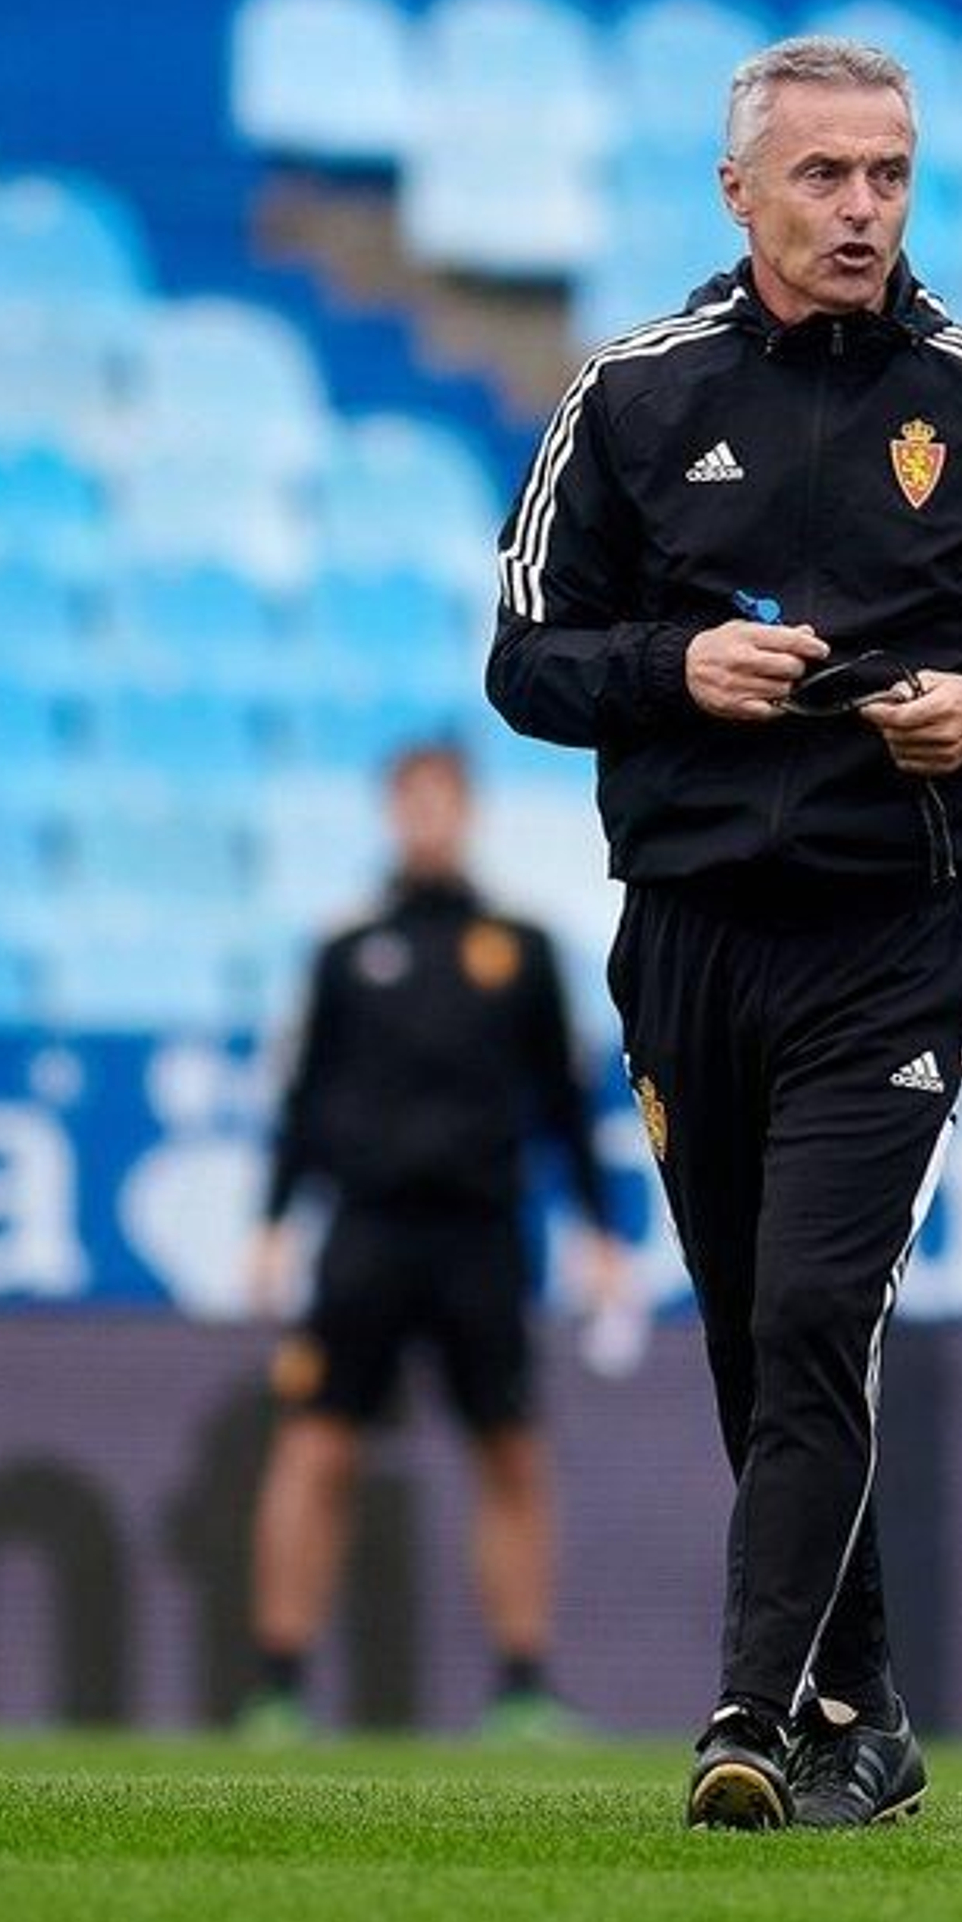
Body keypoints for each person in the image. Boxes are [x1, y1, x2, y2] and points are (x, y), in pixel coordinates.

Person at [486, 36, 962, 1827]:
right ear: (740, 191)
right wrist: (675, 669)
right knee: (753, 1336)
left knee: (812, 1310)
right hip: (690, 925)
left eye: (891, 176)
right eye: (827, 176)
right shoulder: (630, 395)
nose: (863, 208)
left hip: (897, 926)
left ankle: (751, 1718)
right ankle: (866, 1703)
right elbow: (525, 656)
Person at [239, 740, 625, 1742]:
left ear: (467, 813)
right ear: (388, 812)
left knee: (509, 1451)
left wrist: (598, 1229)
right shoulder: (344, 951)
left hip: (483, 1234)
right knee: (316, 1446)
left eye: (442, 802)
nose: (427, 820)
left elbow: (564, 1102)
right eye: (410, 803)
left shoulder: (519, 949)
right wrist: (274, 1224)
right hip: (365, 1231)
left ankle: (522, 1684)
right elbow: (304, 1100)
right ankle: (277, 1683)